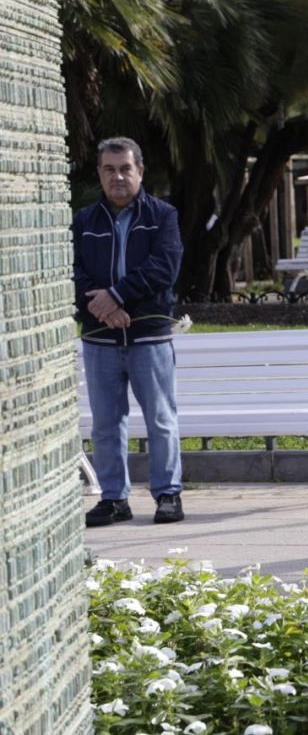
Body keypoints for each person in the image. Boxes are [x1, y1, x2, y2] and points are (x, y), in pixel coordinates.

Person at [74, 137, 186, 526]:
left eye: (125, 168)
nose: (117, 176)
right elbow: (73, 273)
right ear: (100, 174)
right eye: (109, 169)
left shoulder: (162, 215)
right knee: (105, 422)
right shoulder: (84, 221)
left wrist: (118, 296)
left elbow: (164, 268)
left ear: (140, 171)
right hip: (100, 340)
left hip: (149, 337)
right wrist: (104, 309)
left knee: (160, 418)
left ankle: (168, 495)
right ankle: (114, 499)